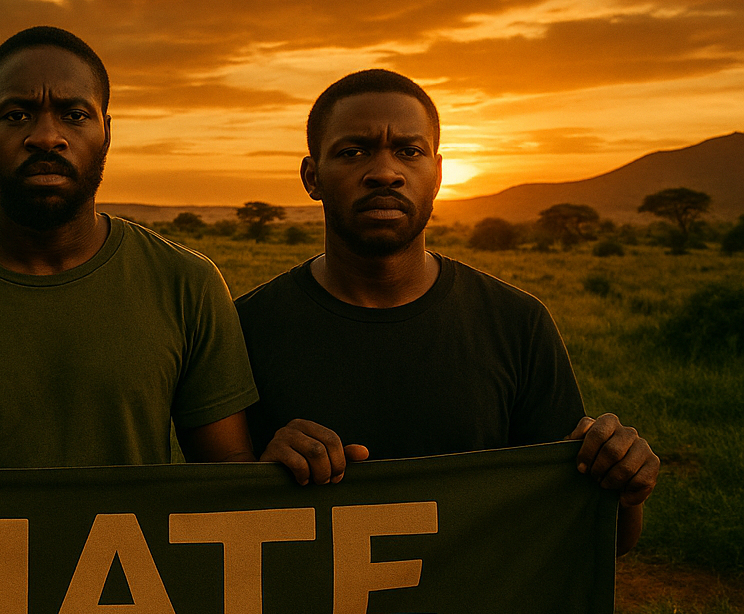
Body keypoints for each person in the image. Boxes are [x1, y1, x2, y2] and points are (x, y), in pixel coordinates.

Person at [236, 68, 658, 554]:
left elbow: (591, 536)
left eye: (409, 152)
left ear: (437, 175)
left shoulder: (516, 323)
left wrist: (625, 486)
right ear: (312, 177)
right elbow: (207, 530)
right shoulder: (244, 327)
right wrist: (260, 476)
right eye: (353, 151)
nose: (385, 172)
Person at [0, 26, 258, 495]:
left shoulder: (187, 284)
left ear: (107, 132)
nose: (46, 137)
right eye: (18, 114)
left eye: (73, 115)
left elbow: (231, 481)